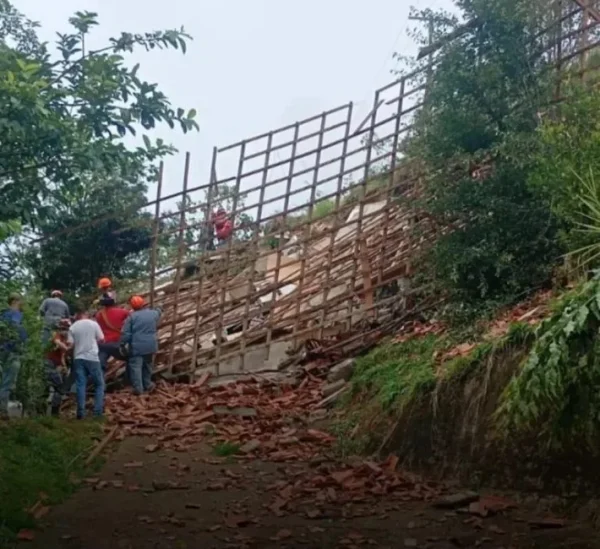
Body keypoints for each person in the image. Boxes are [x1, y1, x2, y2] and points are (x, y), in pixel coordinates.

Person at [120, 295, 161, 396]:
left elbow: (126, 334)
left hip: (137, 347)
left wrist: (122, 344)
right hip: (150, 345)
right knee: (147, 366)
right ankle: (148, 384)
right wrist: (159, 307)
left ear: (132, 306)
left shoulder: (132, 317)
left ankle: (138, 389)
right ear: (143, 304)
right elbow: (159, 312)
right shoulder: (152, 314)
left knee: (136, 368)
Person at [68, 308, 105, 419]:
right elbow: (102, 339)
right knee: (99, 384)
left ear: (78, 316)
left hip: (78, 358)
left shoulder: (72, 327)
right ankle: (97, 412)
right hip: (92, 358)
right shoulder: (93, 324)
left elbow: (70, 344)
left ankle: (80, 413)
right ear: (85, 314)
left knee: (81, 385)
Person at [0, 294, 27, 418]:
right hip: (12, 352)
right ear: (15, 301)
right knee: (8, 382)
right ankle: (2, 410)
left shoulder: (3, 315)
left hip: (3, 350)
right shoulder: (15, 314)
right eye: (20, 301)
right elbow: (18, 331)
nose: (22, 304)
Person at [44, 318, 71, 417]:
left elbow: (63, 356)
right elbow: (57, 342)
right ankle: (45, 411)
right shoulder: (57, 335)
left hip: (58, 364)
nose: (64, 331)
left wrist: (64, 367)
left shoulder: (67, 339)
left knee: (60, 387)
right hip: (49, 363)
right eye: (62, 329)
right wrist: (67, 348)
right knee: (55, 386)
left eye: (66, 329)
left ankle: (54, 412)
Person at [95, 295, 129, 373]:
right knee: (131, 358)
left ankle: (100, 377)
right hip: (117, 342)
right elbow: (132, 319)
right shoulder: (122, 311)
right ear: (113, 303)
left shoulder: (99, 315)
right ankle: (129, 378)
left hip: (104, 343)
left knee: (101, 363)